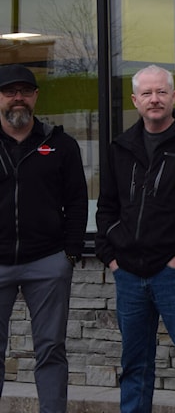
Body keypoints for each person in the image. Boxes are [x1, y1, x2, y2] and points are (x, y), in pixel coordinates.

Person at [95, 65, 175, 413]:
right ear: (136, 100)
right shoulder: (120, 147)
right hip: (129, 274)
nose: (155, 99)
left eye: (161, 92)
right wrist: (110, 255)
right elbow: (107, 206)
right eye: (147, 94)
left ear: (173, 97)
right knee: (135, 366)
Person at [0, 64, 88, 413]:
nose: (17, 97)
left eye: (24, 90)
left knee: (51, 349)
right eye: (9, 91)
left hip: (48, 263)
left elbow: (78, 200)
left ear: (35, 97)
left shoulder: (60, 144)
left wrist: (70, 254)